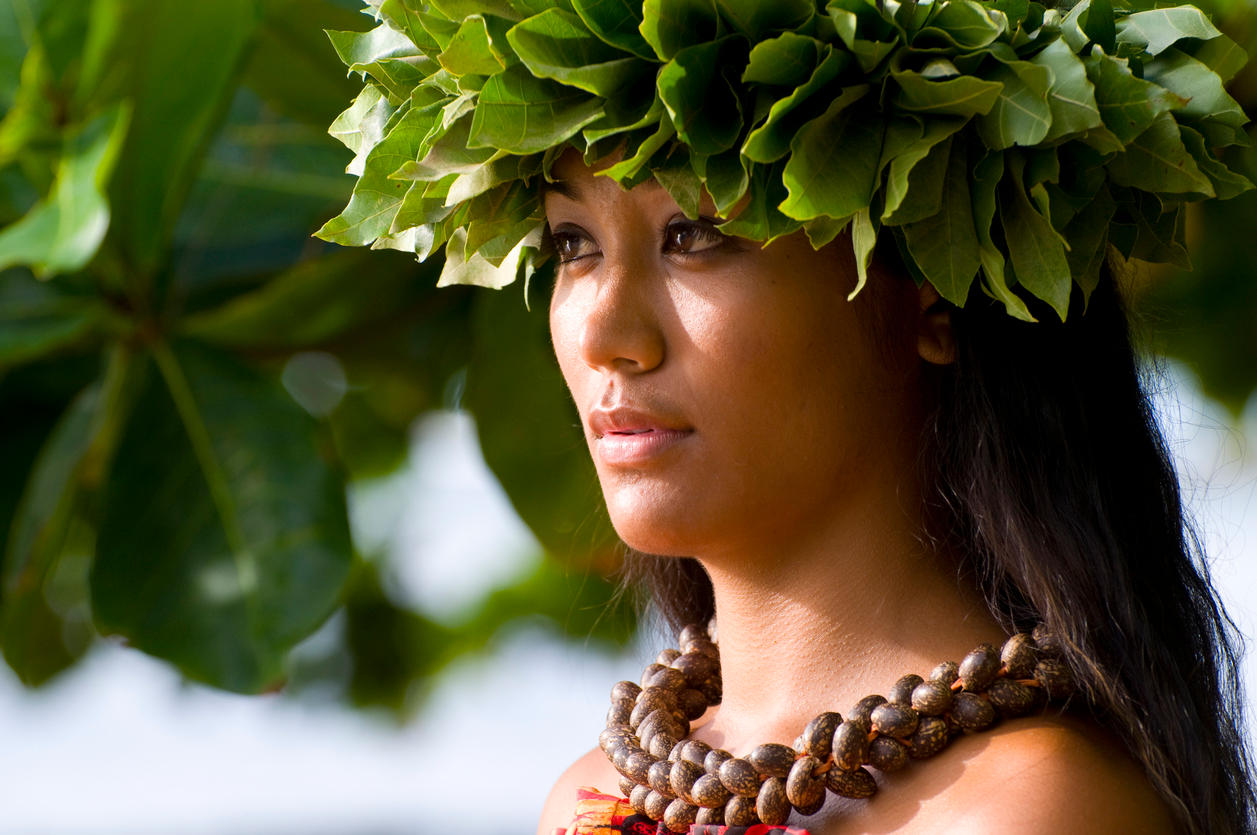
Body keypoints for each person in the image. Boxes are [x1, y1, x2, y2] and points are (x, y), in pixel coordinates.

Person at [318, 1, 1256, 832]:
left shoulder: (1031, 811)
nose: (605, 331)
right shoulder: (588, 802)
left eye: (695, 234)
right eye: (573, 243)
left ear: (933, 288)